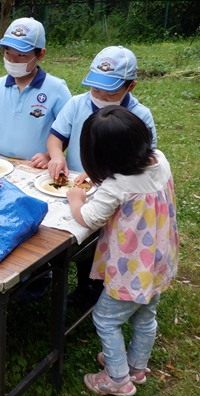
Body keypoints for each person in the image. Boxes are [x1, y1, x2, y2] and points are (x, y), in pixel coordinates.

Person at [66, 106, 178, 396]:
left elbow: (89, 217)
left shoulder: (118, 185)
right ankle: (136, 368)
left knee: (105, 319)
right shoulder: (160, 161)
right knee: (145, 315)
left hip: (130, 268)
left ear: (104, 157)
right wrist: (99, 180)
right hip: (157, 260)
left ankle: (117, 379)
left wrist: (76, 199)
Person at [47, 45, 158, 308]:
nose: (100, 97)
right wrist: (56, 156)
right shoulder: (76, 104)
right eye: (95, 90)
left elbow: (143, 159)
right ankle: (85, 283)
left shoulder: (139, 116)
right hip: (78, 186)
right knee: (82, 238)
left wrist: (99, 172)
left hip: (118, 191)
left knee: (110, 240)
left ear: (130, 87)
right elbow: (55, 138)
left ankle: (106, 288)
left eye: (110, 93)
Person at [0, 17, 71, 167]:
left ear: (40, 55)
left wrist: (48, 156)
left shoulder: (56, 88)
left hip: (33, 166)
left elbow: (66, 131)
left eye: (21, 56)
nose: (12, 61)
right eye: (8, 53)